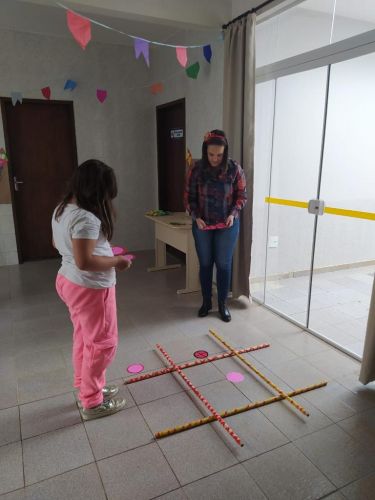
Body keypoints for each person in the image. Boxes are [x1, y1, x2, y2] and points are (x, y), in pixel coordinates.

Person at [52, 159, 131, 420]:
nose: (107, 200)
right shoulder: (86, 217)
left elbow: (58, 243)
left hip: (68, 281)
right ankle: (92, 401)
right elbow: (85, 262)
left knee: (85, 338)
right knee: (103, 343)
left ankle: (85, 385)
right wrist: (117, 261)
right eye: (106, 194)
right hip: (90, 288)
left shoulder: (63, 209)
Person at [184, 130, 247, 322]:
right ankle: (206, 302)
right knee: (205, 264)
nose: (215, 158)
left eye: (219, 155)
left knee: (223, 264)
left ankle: (222, 304)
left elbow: (242, 196)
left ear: (225, 152)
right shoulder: (195, 169)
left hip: (227, 225)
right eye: (211, 154)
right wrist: (196, 216)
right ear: (205, 151)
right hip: (203, 224)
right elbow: (189, 197)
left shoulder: (234, 169)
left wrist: (233, 214)